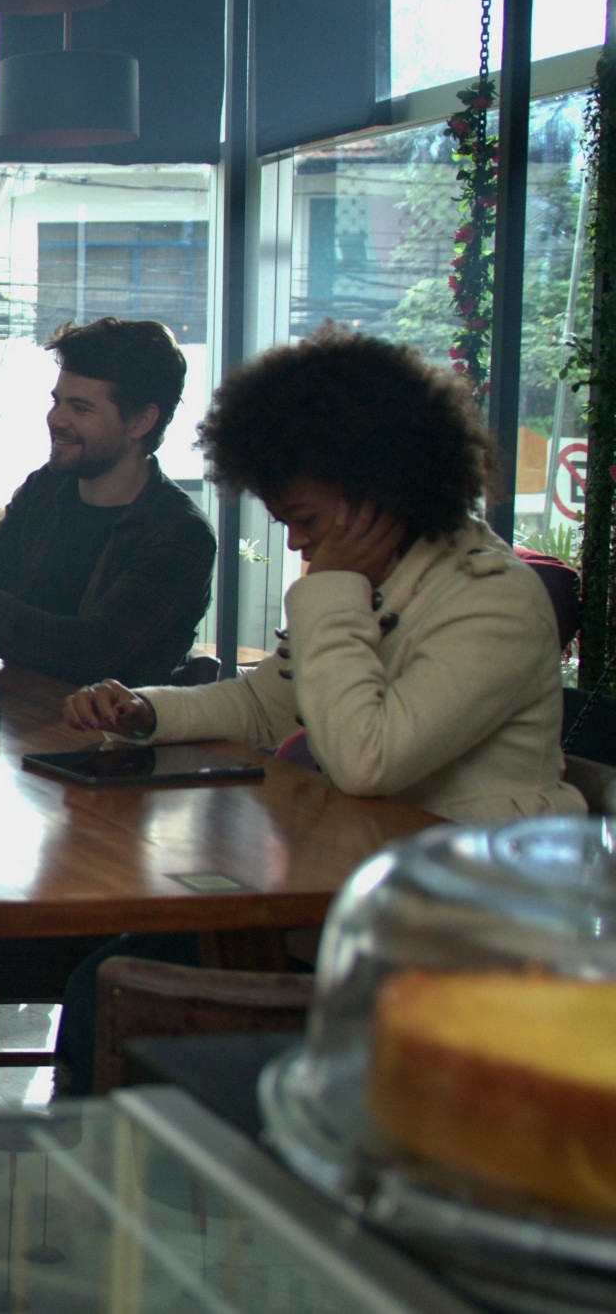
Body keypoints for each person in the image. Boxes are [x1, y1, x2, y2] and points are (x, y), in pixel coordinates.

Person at [53, 325, 585, 1090]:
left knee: (118, 988)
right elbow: (269, 705)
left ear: (376, 491)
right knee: (108, 979)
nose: (301, 544)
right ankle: (103, 1184)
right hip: (351, 896)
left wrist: (331, 589)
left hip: (460, 934)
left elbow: (369, 757)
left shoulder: (491, 601)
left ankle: (143, 1186)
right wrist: (147, 710)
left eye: (306, 519)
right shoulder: (378, 578)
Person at [0, 318, 215, 687]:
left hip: (105, 739)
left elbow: (92, 651)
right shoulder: (49, 487)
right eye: (57, 401)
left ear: (141, 421)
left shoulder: (180, 534)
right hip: (16, 713)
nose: (56, 419)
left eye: (80, 409)